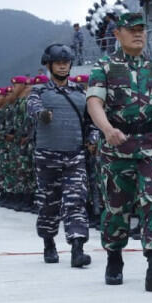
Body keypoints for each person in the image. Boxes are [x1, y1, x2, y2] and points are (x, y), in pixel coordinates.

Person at [86, 11, 152, 292]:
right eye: (132, 30)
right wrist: (106, 129)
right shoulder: (104, 67)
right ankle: (114, 257)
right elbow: (94, 101)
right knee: (116, 209)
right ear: (117, 34)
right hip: (117, 147)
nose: (138, 33)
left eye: (142, 29)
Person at [27, 44, 93, 268]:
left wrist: (93, 139)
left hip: (74, 156)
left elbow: (90, 122)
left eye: (66, 63)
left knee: (76, 201)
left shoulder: (80, 93)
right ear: (49, 65)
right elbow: (32, 107)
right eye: (58, 63)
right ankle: (48, 242)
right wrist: (41, 114)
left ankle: (77, 248)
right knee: (49, 203)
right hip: (47, 157)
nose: (63, 66)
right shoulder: (39, 92)